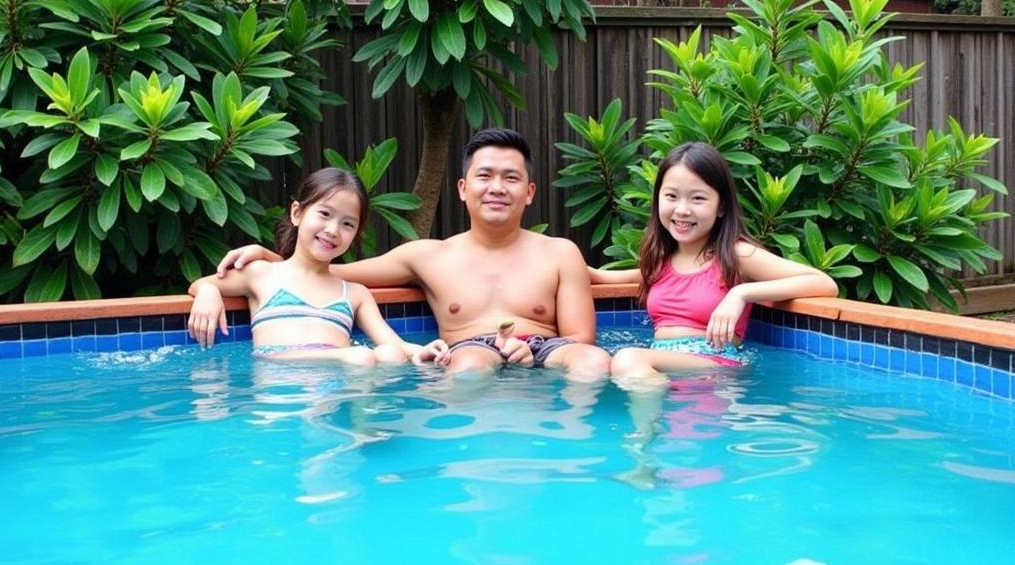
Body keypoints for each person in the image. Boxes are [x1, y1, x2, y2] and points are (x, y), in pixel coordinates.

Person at [198, 129, 612, 380]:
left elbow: (582, 338)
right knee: (468, 370)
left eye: (511, 178)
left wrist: (530, 347)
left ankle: (571, 453)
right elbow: (328, 266)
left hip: (544, 349)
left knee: (593, 362)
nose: (497, 187)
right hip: (470, 352)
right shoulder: (426, 256)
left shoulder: (560, 252)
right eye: (484, 176)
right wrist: (267, 259)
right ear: (463, 189)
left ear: (530, 192)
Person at [591, 142, 837, 383]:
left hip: (716, 366)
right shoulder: (661, 260)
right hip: (666, 368)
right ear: (657, 200)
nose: (682, 210)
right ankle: (654, 422)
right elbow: (609, 277)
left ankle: (649, 425)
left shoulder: (736, 255)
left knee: (628, 359)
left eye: (698, 198)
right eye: (671, 196)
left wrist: (741, 293)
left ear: (721, 207)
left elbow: (823, 283)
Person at [187, 166, 450, 367]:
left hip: (336, 388)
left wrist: (425, 351)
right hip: (281, 381)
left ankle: (362, 430)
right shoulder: (262, 273)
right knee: (360, 357)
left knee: (390, 355)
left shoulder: (355, 293)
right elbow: (200, 283)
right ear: (297, 213)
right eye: (324, 214)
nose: (333, 230)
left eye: (348, 224)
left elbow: (394, 344)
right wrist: (209, 292)